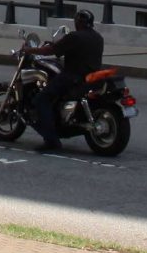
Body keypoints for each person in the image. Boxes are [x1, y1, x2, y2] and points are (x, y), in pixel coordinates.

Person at [29, 9, 106, 152]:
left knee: (42, 99)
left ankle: (51, 141)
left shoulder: (75, 37)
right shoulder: (98, 38)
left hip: (73, 77)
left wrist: (29, 50)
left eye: (76, 21)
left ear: (78, 22)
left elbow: (51, 51)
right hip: (91, 78)